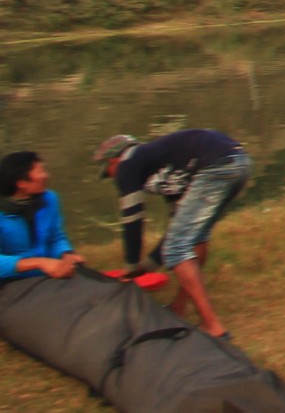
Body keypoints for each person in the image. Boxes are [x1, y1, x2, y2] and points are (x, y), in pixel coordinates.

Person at [94, 129, 252, 339]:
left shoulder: (127, 164)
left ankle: (213, 326)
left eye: (108, 172)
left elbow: (132, 220)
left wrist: (131, 267)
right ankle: (179, 307)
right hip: (238, 162)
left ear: (114, 161)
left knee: (177, 249)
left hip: (216, 165)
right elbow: (175, 226)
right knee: (194, 238)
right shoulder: (163, 165)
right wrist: (148, 266)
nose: (113, 178)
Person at [0, 151, 85, 322]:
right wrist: (39, 262)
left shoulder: (49, 199)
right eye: (40, 171)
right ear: (22, 183)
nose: (46, 175)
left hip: (37, 273)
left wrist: (65, 253)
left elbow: (56, 236)